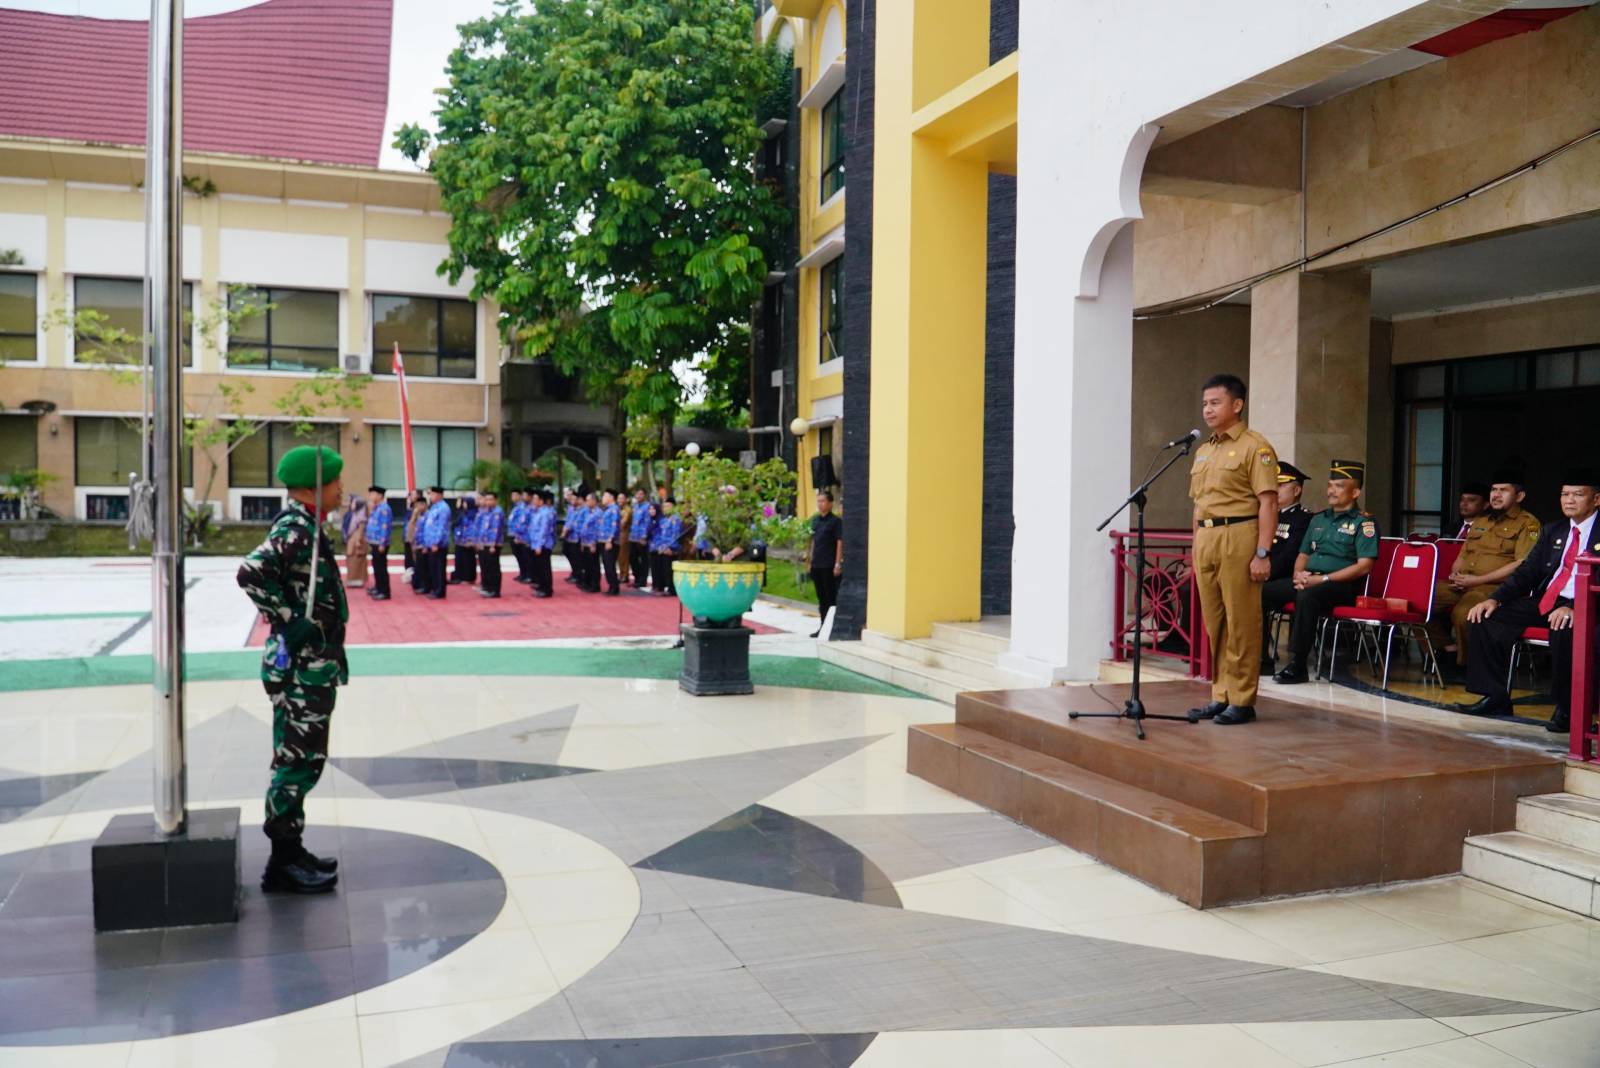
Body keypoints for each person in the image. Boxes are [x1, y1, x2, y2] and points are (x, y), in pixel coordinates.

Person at [236, 444, 347, 894]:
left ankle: (291, 848)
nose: (341, 489)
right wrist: (289, 617)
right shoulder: (298, 529)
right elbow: (250, 573)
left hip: (312, 667)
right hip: (301, 669)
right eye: (335, 482)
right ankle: (281, 861)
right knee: (296, 761)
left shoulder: (310, 527)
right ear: (311, 488)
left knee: (304, 757)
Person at [1462, 473, 1600, 733]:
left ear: (1596, 499)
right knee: (1485, 617)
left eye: (1577, 494)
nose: (1569, 500)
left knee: (1564, 627)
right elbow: (1528, 572)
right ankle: (1495, 697)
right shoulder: (1554, 530)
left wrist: (1575, 606)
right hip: (1549, 599)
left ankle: (1569, 708)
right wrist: (1495, 599)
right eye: (1564, 494)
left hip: (1588, 603)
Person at [1182, 374, 1280, 726]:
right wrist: (1195, 548)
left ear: (1236, 405)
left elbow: (1268, 503)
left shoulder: (1256, 447)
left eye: (1215, 402)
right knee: (1216, 623)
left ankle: (1242, 699)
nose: (1207, 409)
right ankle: (1220, 694)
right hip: (1207, 539)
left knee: (1242, 622)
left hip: (1239, 535)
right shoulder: (1205, 449)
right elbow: (1198, 505)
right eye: (1205, 403)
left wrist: (1262, 553)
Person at [1266, 461, 1379, 686]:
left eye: (1338, 486)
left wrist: (1322, 579)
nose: (1331, 491)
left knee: (1307, 596)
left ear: (1355, 492)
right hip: (1310, 580)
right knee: (1262, 591)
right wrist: (1299, 575)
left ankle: (1298, 664)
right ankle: (1259, 658)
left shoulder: (1364, 523)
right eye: (1329, 485)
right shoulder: (1318, 519)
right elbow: (1303, 555)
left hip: (1341, 585)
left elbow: (1364, 566)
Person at [1432, 473, 1541, 665]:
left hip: (1494, 588)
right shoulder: (1481, 521)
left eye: (1503, 490)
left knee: (1465, 613)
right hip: (1463, 584)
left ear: (1519, 496)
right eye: (1493, 490)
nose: (1496, 495)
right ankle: (1447, 649)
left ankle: (1466, 666)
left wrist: (1478, 581)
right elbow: (1463, 554)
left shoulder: (1528, 523)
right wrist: (1455, 575)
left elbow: (1522, 563)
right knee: (1415, 600)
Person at [1259, 461, 1315, 674]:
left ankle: (1261, 659)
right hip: (1266, 574)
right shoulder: (1265, 515)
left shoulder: (1304, 519)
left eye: (1281, 485)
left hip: (1286, 577)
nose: (1276, 489)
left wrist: (1265, 574)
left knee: (1259, 593)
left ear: (1297, 489)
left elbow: (1290, 556)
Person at [808, 490, 844, 638]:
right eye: (818, 501)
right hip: (817, 564)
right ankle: (823, 626)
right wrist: (810, 559)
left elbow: (839, 543)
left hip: (829, 565)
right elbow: (813, 541)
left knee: (830, 597)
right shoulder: (816, 521)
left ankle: (832, 627)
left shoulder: (836, 522)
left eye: (823, 501)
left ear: (830, 503)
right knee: (821, 597)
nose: (820, 504)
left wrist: (837, 563)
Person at [417, 486, 453, 598]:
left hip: (438, 545)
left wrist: (436, 543)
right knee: (432, 568)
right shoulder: (433, 507)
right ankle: (433, 588)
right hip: (430, 543)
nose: (430, 496)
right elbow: (428, 525)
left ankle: (439, 591)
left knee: (439, 568)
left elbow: (441, 527)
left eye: (432, 494)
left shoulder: (443, 508)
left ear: (439, 495)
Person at [476, 490, 506, 598]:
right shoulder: (486, 511)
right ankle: (487, 587)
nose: (488, 502)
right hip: (484, 543)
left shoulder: (497, 512)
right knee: (485, 566)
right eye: (487, 499)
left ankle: (494, 590)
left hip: (493, 544)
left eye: (491, 500)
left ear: (496, 500)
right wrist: (479, 541)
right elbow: (482, 528)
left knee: (493, 568)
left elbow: (496, 530)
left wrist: (493, 544)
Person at [365, 485, 393, 601]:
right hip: (374, 542)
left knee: (381, 567)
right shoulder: (377, 508)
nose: (371, 496)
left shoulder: (384, 508)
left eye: (373, 494)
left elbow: (385, 527)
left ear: (380, 496)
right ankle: (378, 587)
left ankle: (384, 591)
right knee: (376, 566)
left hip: (380, 543)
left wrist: (382, 543)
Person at [651, 497, 682, 596]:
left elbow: (676, 535)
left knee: (669, 569)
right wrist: (660, 546)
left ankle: (672, 589)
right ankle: (664, 586)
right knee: (662, 569)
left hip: (671, 548)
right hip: (662, 548)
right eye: (664, 507)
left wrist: (669, 547)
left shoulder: (676, 519)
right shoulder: (663, 520)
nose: (665, 508)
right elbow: (659, 535)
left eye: (668, 506)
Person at [527, 490, 556, 597]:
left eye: (535, 499)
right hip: (535, 544)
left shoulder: (546, 513)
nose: (533, 501)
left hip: (543, 544)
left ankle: (546, 589)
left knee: (544, 567)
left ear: (541, 501)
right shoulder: (537, 512)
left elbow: (544, 530)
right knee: (538, 567)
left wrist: (539, 544)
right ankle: (541, 586)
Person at [450, 494, 479, 586]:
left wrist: (470, 540)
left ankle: (469, 577)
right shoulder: (463, 514)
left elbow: (473, 527)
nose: (463, 504)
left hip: (468, 541)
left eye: (465, 502)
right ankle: (460, 576)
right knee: (460, 559)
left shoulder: (474, 514)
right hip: (460, 540)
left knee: (468, 560)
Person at [342, 493, 369, 589]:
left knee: (356, 560)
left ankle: (356, 580)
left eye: (352, 502)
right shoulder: (353, 514)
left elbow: (361, 529)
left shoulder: (361, 515)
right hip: (351, 538)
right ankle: (352, 579)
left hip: (356, 538)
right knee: (351, 560)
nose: (351, 504)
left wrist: (359, 540)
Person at [598, 489, 622, 595]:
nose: (603, 498)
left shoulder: (614, 509)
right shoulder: (608, 510)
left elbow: (614, 526)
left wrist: (610, 540)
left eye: (604, 496)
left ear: (611, 498)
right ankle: (612, 586)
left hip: (610, 541)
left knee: (609, 564)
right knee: (607, 564)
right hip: (604, 540)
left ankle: (614, 587)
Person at [628, 489, 654, 588]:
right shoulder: (635, 507)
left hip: (642, 537)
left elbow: (647, 522)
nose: (638, 496)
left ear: (645, 495)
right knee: (632, 557)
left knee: (643, 559)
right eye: (637, 494)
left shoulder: (647, 507)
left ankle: (642, 580)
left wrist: (644, 536)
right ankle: (637, 577)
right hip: (633, 536)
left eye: (641, 494)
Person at [506, 489, 532, 585]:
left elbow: (522, 523)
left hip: (521, 536)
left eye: (515, 495)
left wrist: (519, 535)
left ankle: (528, 574)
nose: (513, 498)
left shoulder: (523, 508)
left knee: (524, 556)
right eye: (512, 495)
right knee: (518, 555)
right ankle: (523, 573)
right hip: (512, 534)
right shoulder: (515, 507)